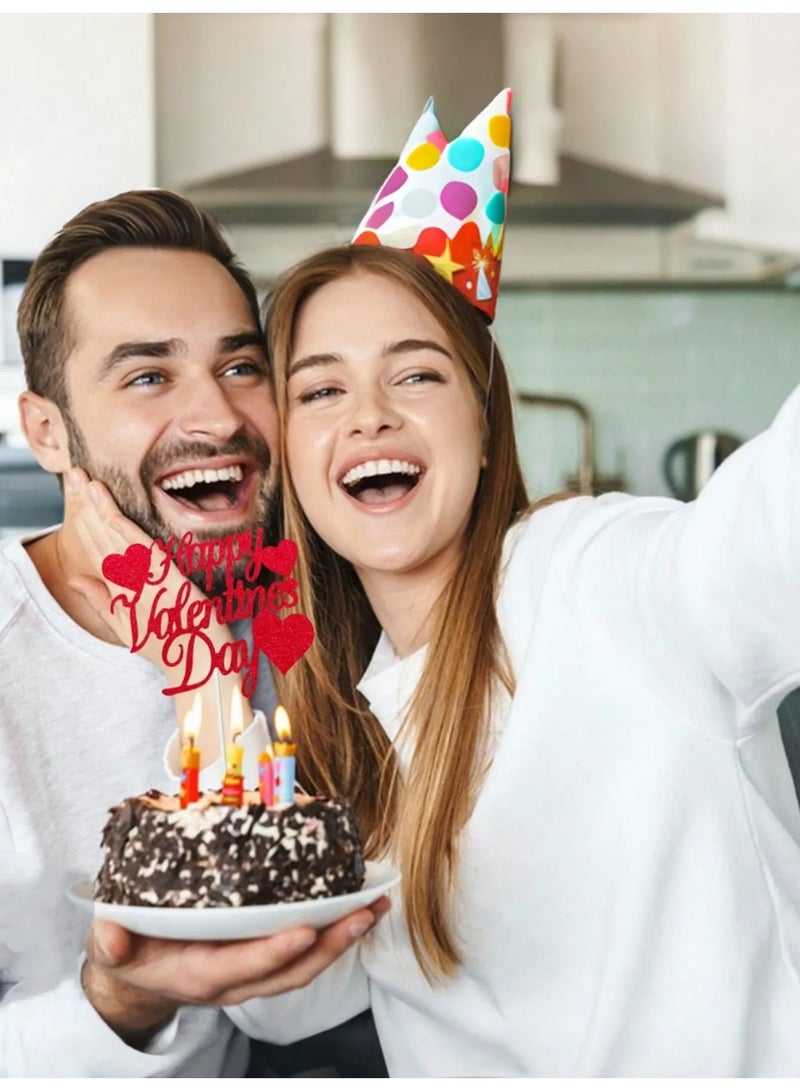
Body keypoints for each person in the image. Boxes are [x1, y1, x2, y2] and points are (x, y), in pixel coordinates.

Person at [214, 90, 800, 1075]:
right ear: (287, 454)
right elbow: (291, 1002)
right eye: (319, 389)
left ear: (483, 429)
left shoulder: (588, 580)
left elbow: (762, 539)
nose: (367, 415)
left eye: (415, 374)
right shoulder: (333, 712)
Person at [0, 189, 387, 1078]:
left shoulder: (302, 613)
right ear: (48, 432)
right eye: (147, 375)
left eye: (241, 367)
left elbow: (297, 1004)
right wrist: (119, 1002)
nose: (215, 417)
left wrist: (197, 661)